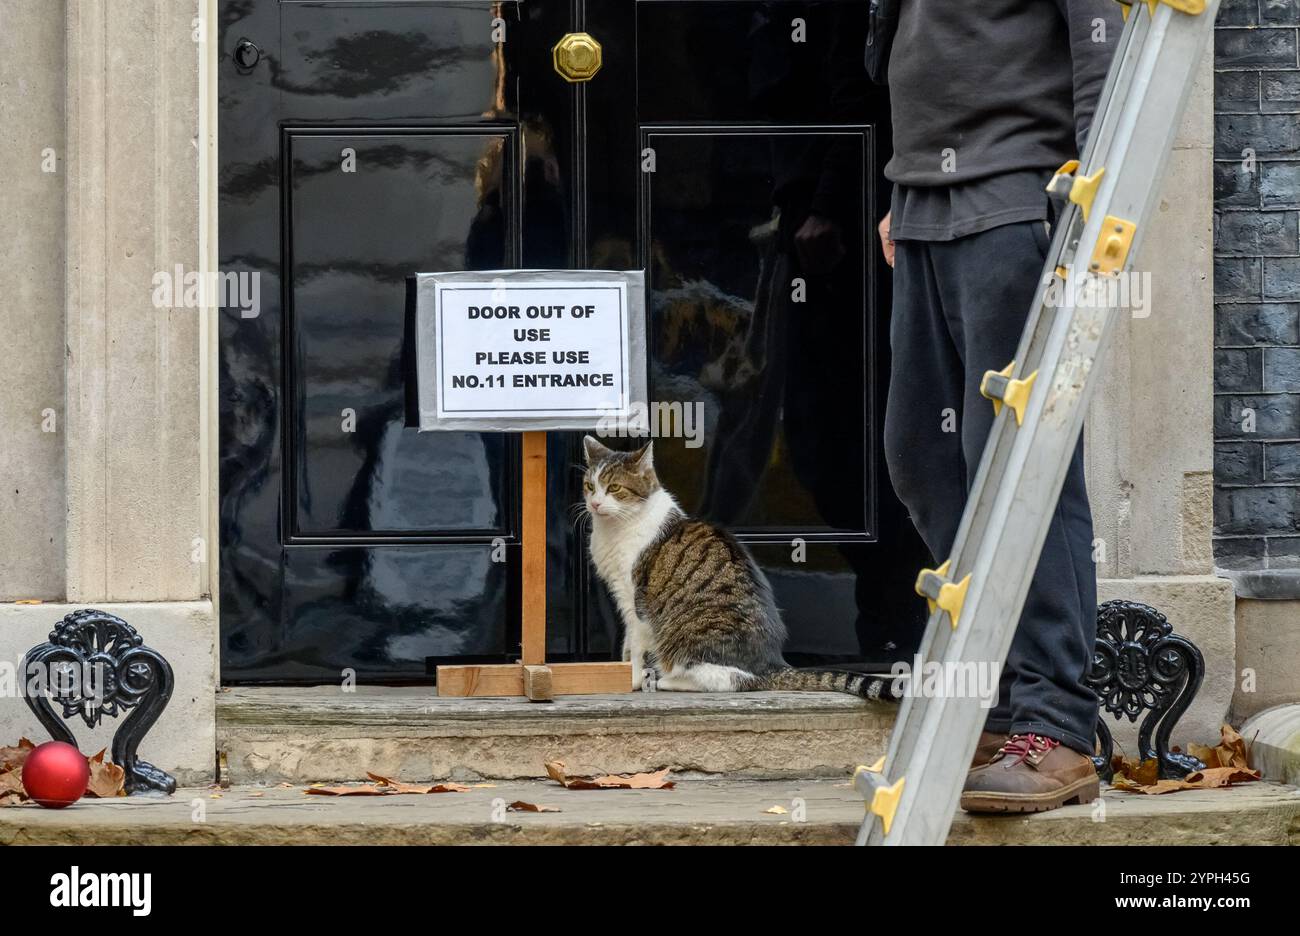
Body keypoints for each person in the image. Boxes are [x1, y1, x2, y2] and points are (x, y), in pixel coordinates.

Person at [873, 0, 1122, 813]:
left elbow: (1101, 47)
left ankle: (1057, 725)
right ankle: (1009, 698)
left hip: (1018, 201)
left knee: (1024, 466)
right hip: (923, 200)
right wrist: (910, 186)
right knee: (922, 457)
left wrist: (1090, 204)